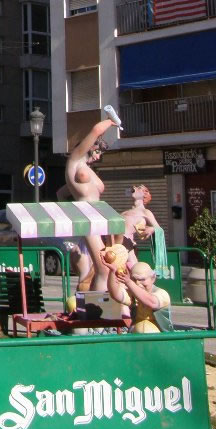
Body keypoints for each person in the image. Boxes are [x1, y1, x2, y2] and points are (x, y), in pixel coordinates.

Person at [62, 115, 117, 291]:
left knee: (106, 265)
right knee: (103, 267)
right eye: (98, 151)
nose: (98, 156)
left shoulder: (86, 168)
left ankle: (100, 300)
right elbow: (95, 131)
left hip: (97, 215)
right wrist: (111, 121)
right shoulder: (75, 161)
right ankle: (99, 305)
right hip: (85, 215)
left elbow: (61, 192)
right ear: (89, 147)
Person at [105, 259, 170, 333]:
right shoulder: (133, 294)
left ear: (153, 278)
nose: (138, 283)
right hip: (136, 332)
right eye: (134, 280)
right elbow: (115, 294)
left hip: (158, 335)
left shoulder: (162, 293)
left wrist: (129, 282)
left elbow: (152, 303)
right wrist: (112, 271)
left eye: (142, 279)